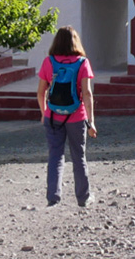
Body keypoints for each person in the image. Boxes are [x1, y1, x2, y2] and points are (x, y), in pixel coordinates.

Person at [37, 26, 97, 208]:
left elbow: (41, 92)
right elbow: (87, 93)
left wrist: (43, 113)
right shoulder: (82, 63)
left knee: (55, 155)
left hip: (53, 115)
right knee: (79, 156)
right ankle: (83, 198)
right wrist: (91, 121)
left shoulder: (49, 62)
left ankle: (53, 198)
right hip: (77, 116)